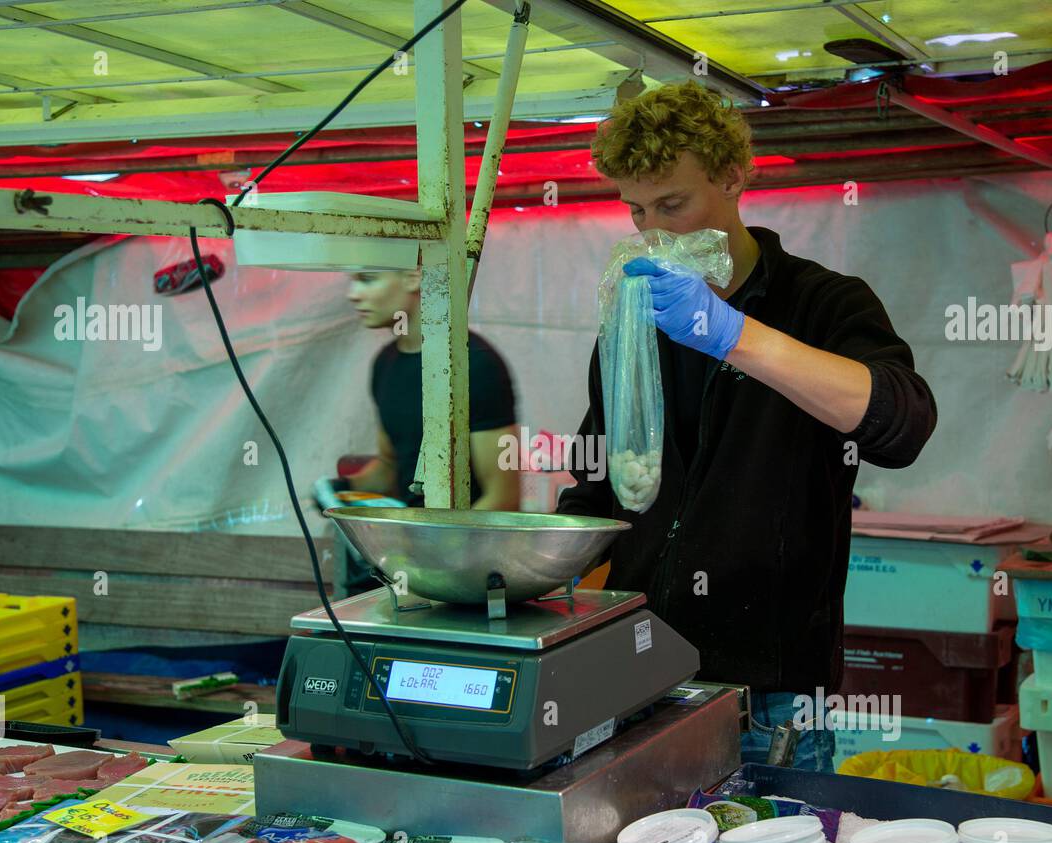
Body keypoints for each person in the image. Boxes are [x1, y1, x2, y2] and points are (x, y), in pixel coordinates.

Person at [556, 81, 937, 771]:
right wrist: (532, 572)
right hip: (641, 677)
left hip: (771, 697)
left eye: (674, 204)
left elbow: (901, 424)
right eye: (637, 210)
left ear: (734, 176)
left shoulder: (822, 303)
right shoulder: (634, 325)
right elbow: (595, 481)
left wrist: (734, 335)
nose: (654, 231)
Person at [314, 269, 522, 590]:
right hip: (409, 572)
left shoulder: (475, 365)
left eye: (368, 279)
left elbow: (504, 498)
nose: (352, 294)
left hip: (469, 576)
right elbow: (390, 466)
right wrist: (341, 488)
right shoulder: (385, 364)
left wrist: (435, 553)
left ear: (413, 278)